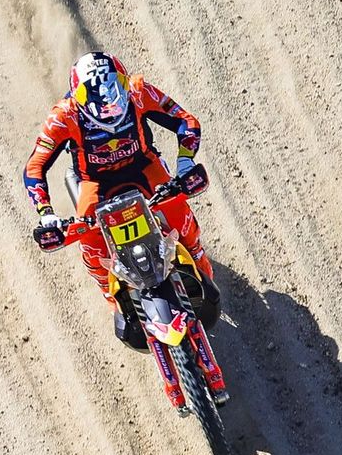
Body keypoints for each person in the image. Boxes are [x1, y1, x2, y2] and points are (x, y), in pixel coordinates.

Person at [24, 51, 218, 344]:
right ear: (78, 97)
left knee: (179, 214)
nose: (110, 106)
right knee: (89, 241)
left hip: (144, 166)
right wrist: (46, 214)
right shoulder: (63, 116)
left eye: (116, 90)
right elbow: (35, 166)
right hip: (95, 182)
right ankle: (113, 297)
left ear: (124, 83)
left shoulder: (139, 92)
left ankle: (199, 261)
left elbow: (185, 121)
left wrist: (185, 162)